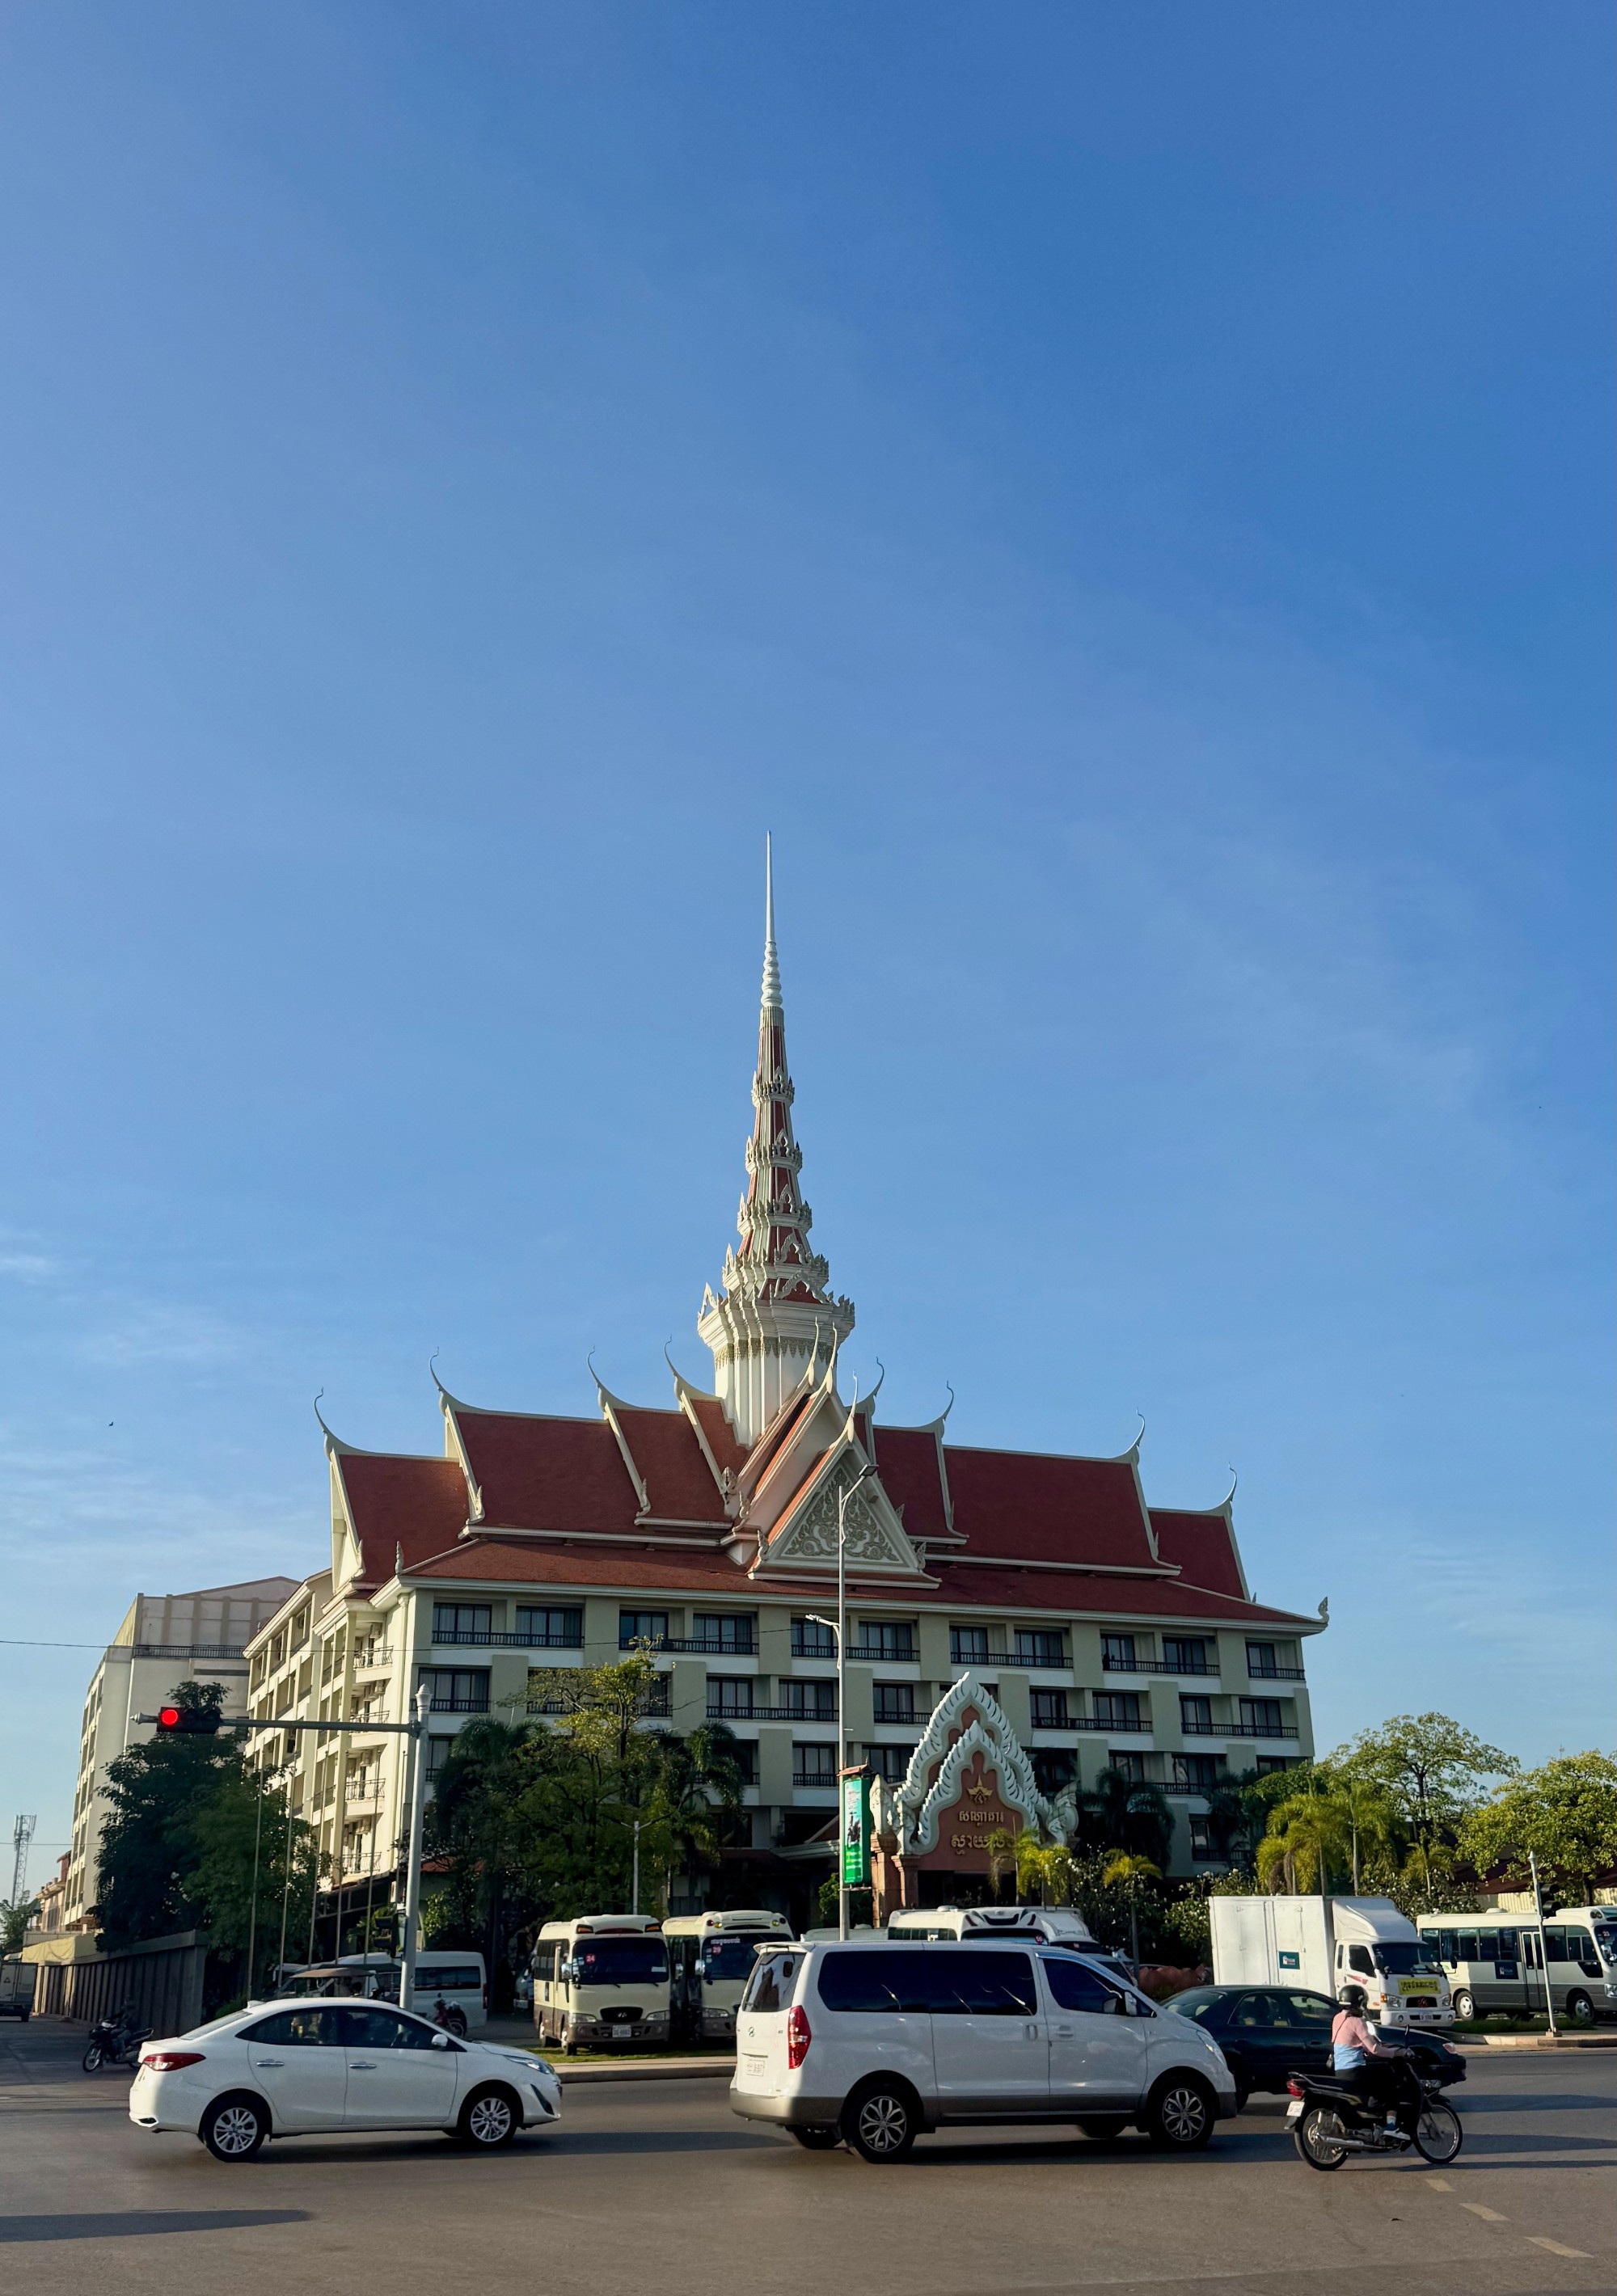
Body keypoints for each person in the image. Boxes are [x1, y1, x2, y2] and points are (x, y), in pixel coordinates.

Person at [1332, 1984, 1409, 2121]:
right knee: (1391, 2087)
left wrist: (1363, 2048)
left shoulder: (1338, 2018)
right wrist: (1399, 2053)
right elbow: (1375, 2049)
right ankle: (1390, 2126)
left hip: (1340, 2070)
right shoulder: (1356, 2021)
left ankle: (1374, 2113)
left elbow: (1350, 2041)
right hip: (1354, 2070)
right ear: (1360, 2002)